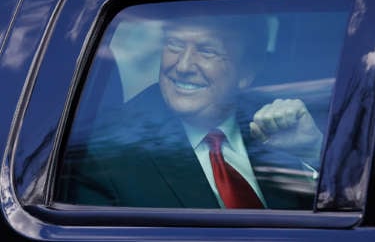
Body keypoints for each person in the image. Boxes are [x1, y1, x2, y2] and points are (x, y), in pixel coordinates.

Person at [58, 15, 322, 209]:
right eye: (174, 45)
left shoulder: (275, 122)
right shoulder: (106, 147)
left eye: (207, 51)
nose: (183, 66)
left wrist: (312, 153)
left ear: (247, 72)